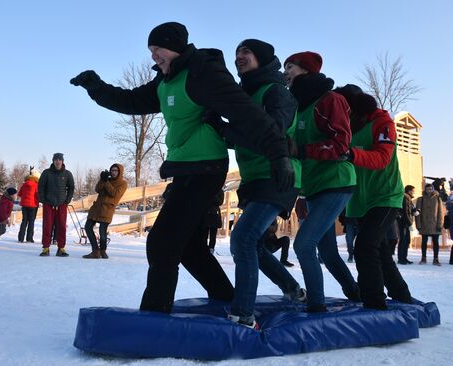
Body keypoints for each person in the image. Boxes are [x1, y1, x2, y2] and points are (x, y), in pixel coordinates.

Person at [71, 22, 295, 315]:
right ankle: (224, 297)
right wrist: (96, 87)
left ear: (175, 47)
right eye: (150, 51)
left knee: (162, 243)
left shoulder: (204, 73)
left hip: (206, 169)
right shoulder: (165, 81)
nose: (153, 56)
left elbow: (248, 114)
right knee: (188, 246)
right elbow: (130, 101)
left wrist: (279, 153)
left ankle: (155, 313)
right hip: (186, 170)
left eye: (158, 50)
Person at [206, 39, 305, 327]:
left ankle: (243, 313)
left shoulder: (277, 92)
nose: (239, 56)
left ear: (261, 58)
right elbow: (241, 137)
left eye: (246, 52)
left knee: (243, 239)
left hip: (279, 174)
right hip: (254, 178)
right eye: (236, 52)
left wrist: (227, 129)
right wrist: (220, 126)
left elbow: (271, 133)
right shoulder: (244, 95)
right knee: (253, 245)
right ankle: (293, 291)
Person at [283, 51, 359, 312]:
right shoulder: (296, 105)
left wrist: (302, 151)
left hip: (336, 182)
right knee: (326, 251)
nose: (286, 72)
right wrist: (301, 195)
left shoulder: (330, 100)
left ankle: (316, 305)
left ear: (306, 70)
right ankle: (355, 293)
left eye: (290, 66)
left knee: (304, 244)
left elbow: (341, 145)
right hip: (313, 188)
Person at [335, 84, 412, 310]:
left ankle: (373, 303)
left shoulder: (383, 123)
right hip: (359, 200)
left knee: (365, 246)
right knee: (381, 252)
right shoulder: (345, 128)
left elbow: (381, 159)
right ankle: (402, 297)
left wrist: (350, 154)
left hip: (386, 196)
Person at [83, 164, 128, 259]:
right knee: (88, 227)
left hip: (107, 209)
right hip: (97, 208)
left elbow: (114, 194)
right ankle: (95, 251)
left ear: (119, 172)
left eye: (116, 170)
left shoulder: (123, 183)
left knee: (102, 231)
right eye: (112, 170)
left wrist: (106, 182)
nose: (113, 172)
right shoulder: (107, 179)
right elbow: (97, 189)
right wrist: (102, 179)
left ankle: (103, 251)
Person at [38, 153, 75, 257]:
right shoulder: (46, 173)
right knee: (47, 226)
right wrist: (43, 200)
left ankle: (61, 248)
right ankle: (46, 248)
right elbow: (41, 187)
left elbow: (71, 187)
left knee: (62, 226)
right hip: (48, 204)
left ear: (62, 161)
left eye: (59, 159)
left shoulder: (67, 174)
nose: (58, 161)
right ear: (53, 161)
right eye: (56, 159)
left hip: (62, 204)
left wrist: (67, 200)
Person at [415, 184, 444, 265]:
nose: (429, 191)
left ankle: (436, 259)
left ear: (433, 189)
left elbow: (441, 213)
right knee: (424, 242)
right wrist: (418, 225)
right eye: (427, 189)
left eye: (430, 189)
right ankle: (423, 258)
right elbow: (418, 213)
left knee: (435, 242)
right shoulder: (421, 199)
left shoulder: (438, 199)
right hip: (424, 224)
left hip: (435, 224)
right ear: (425, 190)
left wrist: (440, 224)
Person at [17, 168, 40, 243]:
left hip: (24, 205)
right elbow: (38, 196)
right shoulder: (36, 185)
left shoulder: (24, 184)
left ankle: (20, 238)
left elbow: (19, 194)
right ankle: (29, 238)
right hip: (33, 205)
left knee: (24, 221)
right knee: (31, 221)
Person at [397, 185, 418, 264]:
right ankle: (401, 258)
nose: (414, 192)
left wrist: (415, 211)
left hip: (406, 222)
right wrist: (409, 224)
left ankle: (404, 258)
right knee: (403, 240)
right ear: (409, 191)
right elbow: (405, 211)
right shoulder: (405, 197)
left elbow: (409, 210)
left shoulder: (408, 198)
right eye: (413, 190)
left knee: (407, 241)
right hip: (404, 222)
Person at [205, 190, 224, 254]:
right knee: (204, 235)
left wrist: (213, 196)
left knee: (213, 236)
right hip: (206, 215)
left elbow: (220, 202)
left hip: (214, 216)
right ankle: (204, 249)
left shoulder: (220, 191)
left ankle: (211, 250)